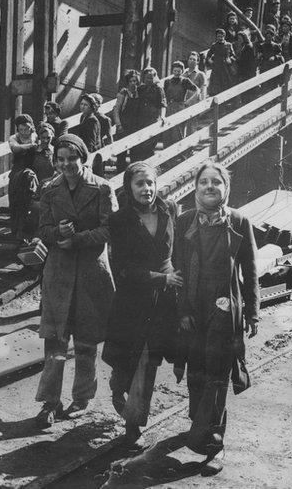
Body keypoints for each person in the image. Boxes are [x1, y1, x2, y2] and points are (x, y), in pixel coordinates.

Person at [174, 161, 259, 476]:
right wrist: (181, 310)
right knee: (197, 372)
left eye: (216, 182)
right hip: (193, 310)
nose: (210, 187)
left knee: (217, 377)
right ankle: (200, 423)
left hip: (225, 311)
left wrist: (252, 312)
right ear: (195, 188)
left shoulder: (239, 221)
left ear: (226, 189)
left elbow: (249, 270)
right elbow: (178, 269)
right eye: (204, 182)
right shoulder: (184, 222)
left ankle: (215, 443)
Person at [35, 133, 118, 427]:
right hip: (58, 274)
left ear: (83, 158)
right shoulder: (49, 189)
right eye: (61, 159)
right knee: (55, 342)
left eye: (72, 158)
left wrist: (78, 239)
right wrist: (58, 232)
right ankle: (49, 402)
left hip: (90, 273)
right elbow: (42, 229)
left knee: (85, 342)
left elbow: (112, 230)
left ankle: (82, 398)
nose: (66, 164)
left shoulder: (103, 188)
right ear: (55, 161)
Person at [103, 162, 182, 447]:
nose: (146, 189)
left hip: (163, 300)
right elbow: (123, 267)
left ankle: (133, 421)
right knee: (130, 357)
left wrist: (175, 277)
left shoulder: (170, 210)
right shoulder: (119, 220)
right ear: (129, 187)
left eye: (150, 183)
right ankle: (118, 384)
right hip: (133, 298)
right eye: (139, 184)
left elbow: (178, 249)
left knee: (149, 360)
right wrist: (162, 279)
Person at [8, 114, 38, 240]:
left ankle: (26, 229)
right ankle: (14, 228)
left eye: (26, 129)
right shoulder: (14, 138)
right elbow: (15, 148)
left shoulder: (35, 136)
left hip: (32, 169)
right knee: (14, 197)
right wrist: (30, 146)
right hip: (18, 170)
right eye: (21, 129)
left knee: (29, 199)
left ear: (31, 128)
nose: (24, 132)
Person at [163, 60, 199, 146]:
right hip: (169, 108)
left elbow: (197, 90)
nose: (176, 73)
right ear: (172, 71)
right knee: (167, 133)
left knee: (178, 132)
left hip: (180, 108)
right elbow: (164, 95)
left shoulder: (185, 81)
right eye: (175, 71)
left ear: (182, 71)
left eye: (179, 71)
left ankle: (179, 155)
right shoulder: (167, 81)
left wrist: (189, 101)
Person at [113, 69, 141, 173]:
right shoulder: (123, 94)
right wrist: (118, 125)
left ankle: (133, 174)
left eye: (135, 81)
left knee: (135, 152)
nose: (133, 83)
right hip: (123, 127)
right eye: (131, 81)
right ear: (128, 82)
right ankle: (119, 174)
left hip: (135, 127)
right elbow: (116, 111)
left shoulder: (139, 93)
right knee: (121, 154)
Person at [136, 67, 166, 159]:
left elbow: (163, 104)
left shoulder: (158, 89)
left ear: (154, 78)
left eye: (151, 78)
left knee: (149, 144)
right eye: (147, 78)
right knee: (140, 144)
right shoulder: (141, 88)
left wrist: (162, 117)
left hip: (152, 119)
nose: (149, 80)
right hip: (141, 119)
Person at [206, 28, 236, 96]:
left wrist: (230, 60)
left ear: (224, 36)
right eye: (218, 36)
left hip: (226, 68)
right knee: (216, 85)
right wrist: (210, 61)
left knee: (226, 84)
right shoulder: (214, 45)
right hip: (216, 68)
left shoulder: (228, 45)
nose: (220, 38)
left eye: (221, 36)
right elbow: (208, 56)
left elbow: (234, 56)